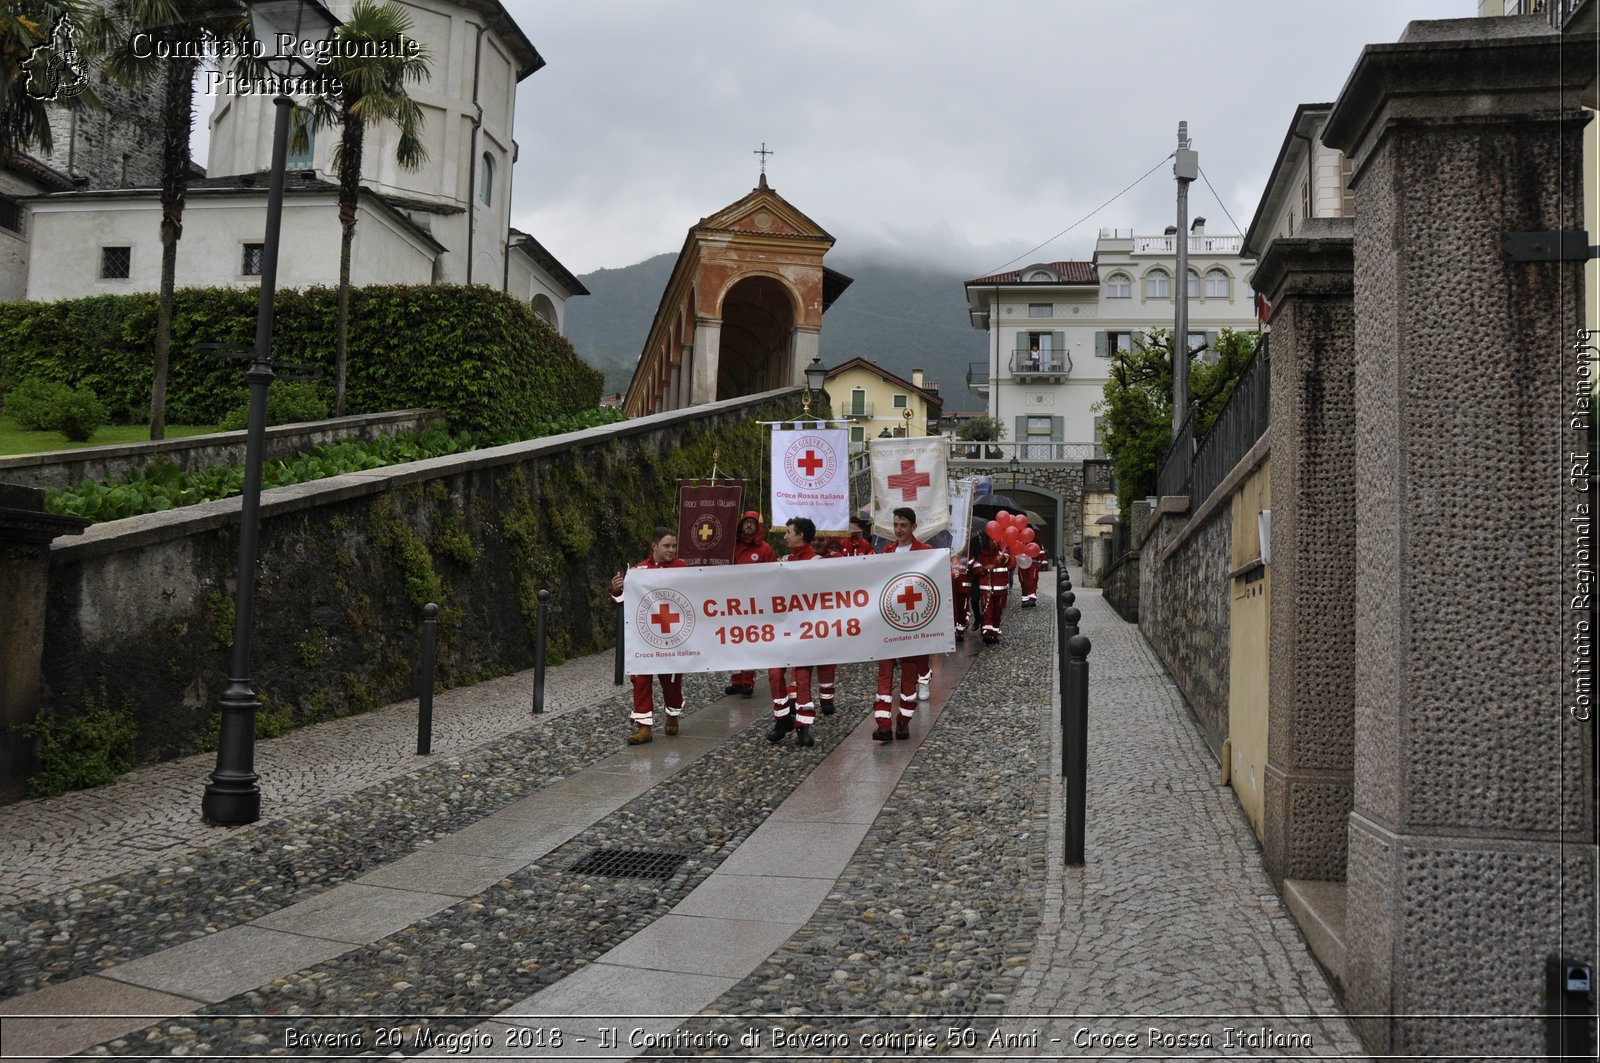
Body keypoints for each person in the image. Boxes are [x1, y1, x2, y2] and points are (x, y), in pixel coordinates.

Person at [610, 527, 687, 745]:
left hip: (673, 637)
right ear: (654, 546)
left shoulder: (682, 569)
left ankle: (672, 714)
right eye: (667, 546)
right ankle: (644, 727)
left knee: (671, 683)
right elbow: (623, 601)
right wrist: (616, 590)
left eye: (674, 546)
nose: (672, 550)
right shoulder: (638, 571)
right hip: (645, 638)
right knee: (641, 680)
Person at [873, 507, 933, 742]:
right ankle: (884, 724)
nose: (898, 530)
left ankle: (903, 721)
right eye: (896, 525)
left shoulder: (926, 553)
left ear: (913, 527)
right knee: (884, 672)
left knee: (909, 674)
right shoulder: (886, 552)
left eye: (903, 525)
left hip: (915, 624)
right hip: (889, 622)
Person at [767, 517, 821, 747]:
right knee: (775, 673)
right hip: (783, 627)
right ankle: (782, 719)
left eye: (789, 532)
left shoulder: (818, 562)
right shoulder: (784, 561)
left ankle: (803, 726)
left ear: (801, 535)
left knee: (802, 677)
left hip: (806, 628)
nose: (785, 536)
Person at [724, 511, 775, 698]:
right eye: (746, 522)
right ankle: (736, 679)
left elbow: (772, 575)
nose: (748, 526)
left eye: (752, 523)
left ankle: (747, 681)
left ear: (758, 527)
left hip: (753, 603)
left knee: (748, 641)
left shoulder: (765, 549)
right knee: (732, 641)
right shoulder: (732, 547)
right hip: (732, 601)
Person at [970, 527, 1014, 645]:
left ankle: (994, 633)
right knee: (987, 611)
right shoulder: (982, 554)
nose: (995, 542)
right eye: (992, 540)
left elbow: (1011, 563)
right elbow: (975, 567)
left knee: (997, 611)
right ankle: (986, 633)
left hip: (1001, 588)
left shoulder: (1003, 553)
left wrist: (1003, 559)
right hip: (987, 588)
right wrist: (984, 569)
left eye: (996, 540)